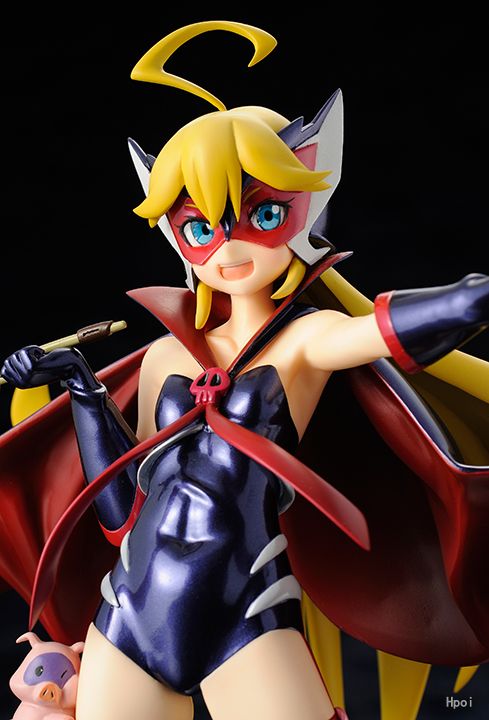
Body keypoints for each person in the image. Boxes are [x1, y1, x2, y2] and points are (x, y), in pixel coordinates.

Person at [1, 21, 488, 720]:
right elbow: (123, 513)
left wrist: (469, 298)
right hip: (130, 614)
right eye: (200, 227)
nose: (227, 249)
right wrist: (82, 387)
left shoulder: (302, 342)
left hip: (246, 615)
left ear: (303, 205)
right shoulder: (167, 355)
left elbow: (383, 332)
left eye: (261, 216)